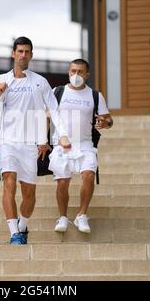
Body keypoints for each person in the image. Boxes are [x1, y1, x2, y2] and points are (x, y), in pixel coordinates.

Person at [0, 36, 71, 245]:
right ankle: (14, 233)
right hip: (7, 142)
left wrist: (62, 135)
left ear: (31, 55)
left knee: (29, 195)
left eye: (27, 52)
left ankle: (22, 225)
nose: (23, 55)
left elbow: (53, 111)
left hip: (30, 145)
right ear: (13, 54)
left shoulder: (40, 82)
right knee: (9, 183)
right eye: (19, 51)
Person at [50, 59, 113, 233]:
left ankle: (81, 215)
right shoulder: (58, 92)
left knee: (89, 175)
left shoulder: (95, 95)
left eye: (79, 72)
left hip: (85, 144)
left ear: (87, 75)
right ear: (69, 72)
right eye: (72, 71)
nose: (75, 75)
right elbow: (46, 115)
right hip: (61, 144)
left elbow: (108, 119)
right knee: (62, 182)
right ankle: (62, 217)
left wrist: (105, 122)